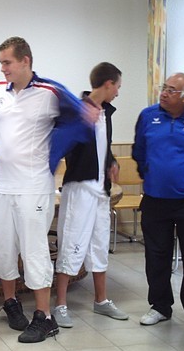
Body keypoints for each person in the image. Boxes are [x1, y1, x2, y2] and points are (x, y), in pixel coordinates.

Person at [0, 36, 93, 344]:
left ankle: (45, 317)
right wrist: (3, 155)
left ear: (25, 61)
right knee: (3, 248)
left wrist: (53, 153)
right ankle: (11, 304)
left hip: (33, 185)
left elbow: (85, 119)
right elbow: (12, 131)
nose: (3, 68)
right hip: (3, 184)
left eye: (7, 62)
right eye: (1, 63)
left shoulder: (50, 91)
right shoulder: (0, 89)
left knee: (34, 250)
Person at [132, 72, 184, 331]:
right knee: (156, 255)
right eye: (163, 88)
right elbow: (139, 150)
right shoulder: (148, 116)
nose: (164, 93)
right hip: (155, 198)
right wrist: (150, 174)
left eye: (171, 90)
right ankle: (159, 306)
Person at [54, 62, 128, 327]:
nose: (118, 92)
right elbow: (62, 143)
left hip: (100, 191)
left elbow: (103, 146)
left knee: (99, 244)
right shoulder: (76, 111)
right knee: (71, 243)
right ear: (108, 84)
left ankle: (101, 300)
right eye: (117, 86)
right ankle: (60, 305)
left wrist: (111, 161)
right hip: (79, 189)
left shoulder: (107, 113)